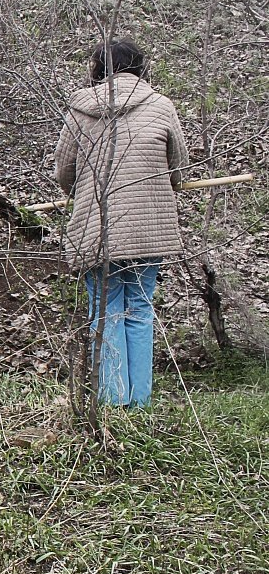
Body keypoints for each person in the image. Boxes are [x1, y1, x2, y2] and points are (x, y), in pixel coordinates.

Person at [53, 39, 188, 408]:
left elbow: (64, 174)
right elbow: (178, 169)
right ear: (140, 67)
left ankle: (112, 403)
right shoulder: (161, 106)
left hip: (98, 228)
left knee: (106, 310)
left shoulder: (81, 108)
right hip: (149, 229)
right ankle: (139, 402)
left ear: (97, 69)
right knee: (140, 309)